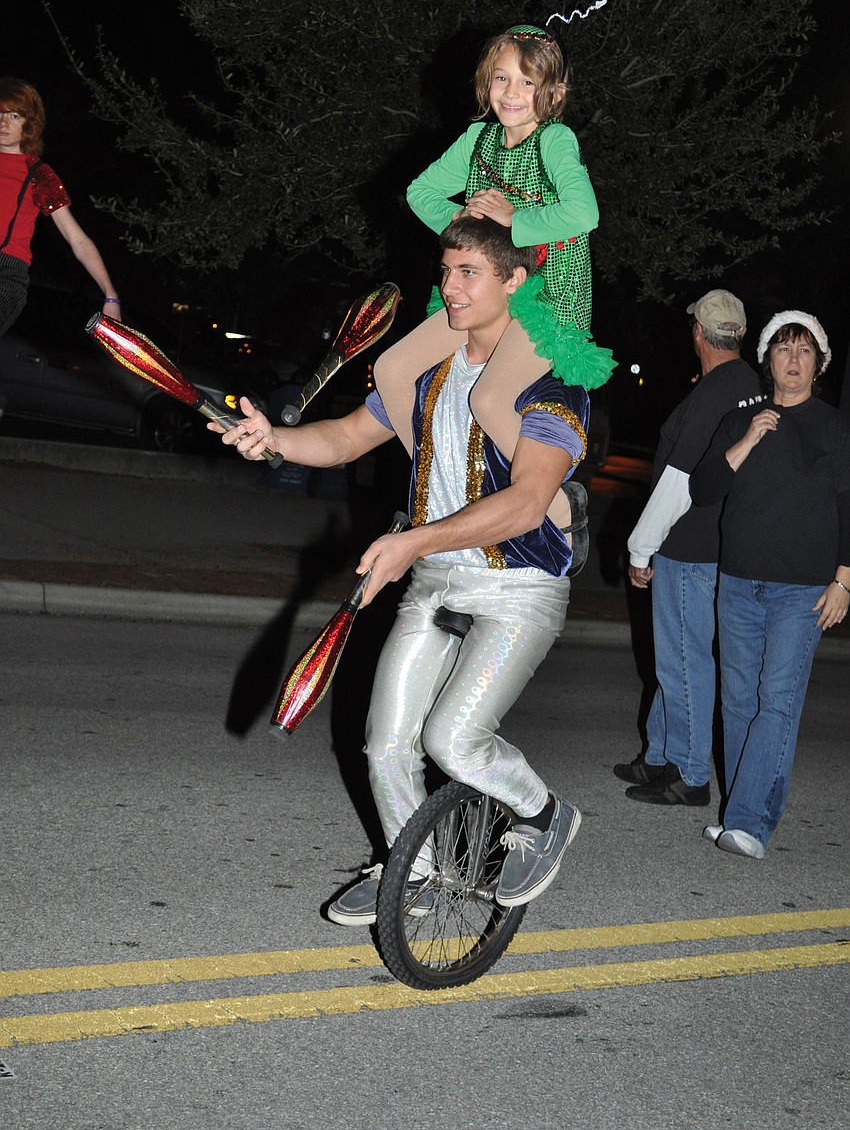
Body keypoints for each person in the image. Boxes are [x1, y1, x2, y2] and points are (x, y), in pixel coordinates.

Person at [216, 217, 588, 923]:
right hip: (438, 576)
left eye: (469, 273)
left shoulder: (553, 379)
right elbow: (349, 436)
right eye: (445, 271)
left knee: (454, 741)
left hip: (519, 587)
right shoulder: (428, 370)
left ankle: (544, 816)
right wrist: (274, 441)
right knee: (385, 743)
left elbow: (528, 502)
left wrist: (411, 542)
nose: (449, 287)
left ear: (516, 281)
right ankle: (412, 870)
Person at [374, 22, 614, 523]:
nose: (513, 92)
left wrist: (513, 219)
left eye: (528, 82)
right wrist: (461, 219)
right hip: (485, 292)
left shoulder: (555, 139)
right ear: (486, 82)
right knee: (391, 370)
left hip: (546, 296)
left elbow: (584, 214)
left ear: (553, 92)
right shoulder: (477, 138)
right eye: (502, 78)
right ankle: (439, 480)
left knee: (488, 398)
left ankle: (560, 508)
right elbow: (420, 192)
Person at [690, 311, 850, 857]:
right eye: (784, 350)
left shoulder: (834, 426)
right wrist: (748, 442)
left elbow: (848, 507)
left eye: (805, 351)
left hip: (802, 590)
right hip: (737, 582)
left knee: (776, 702)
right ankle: (751, 814)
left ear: (819, 363)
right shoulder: (742, 420)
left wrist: (843, 580)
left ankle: (748, 823)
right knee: (738, 703)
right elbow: (704, 489)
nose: (794, 361)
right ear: (768, 360)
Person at [614, 291, 763, 806]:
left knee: (684, 660)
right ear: (739, 335)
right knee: (675, 656)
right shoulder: (748, 385)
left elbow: (678, 480)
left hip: (688, 546)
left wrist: (641, 549)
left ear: (698, 333)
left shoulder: (714, 392)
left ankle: (692, 773)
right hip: (716, 543)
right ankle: (659, 754)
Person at [0, 77, 121, 338]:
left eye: (14, 116)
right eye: (0, 114)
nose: (4, 123)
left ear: (29, 126)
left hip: (6, 276)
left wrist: (110, 296)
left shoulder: (38, 174)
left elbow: (76, 239)